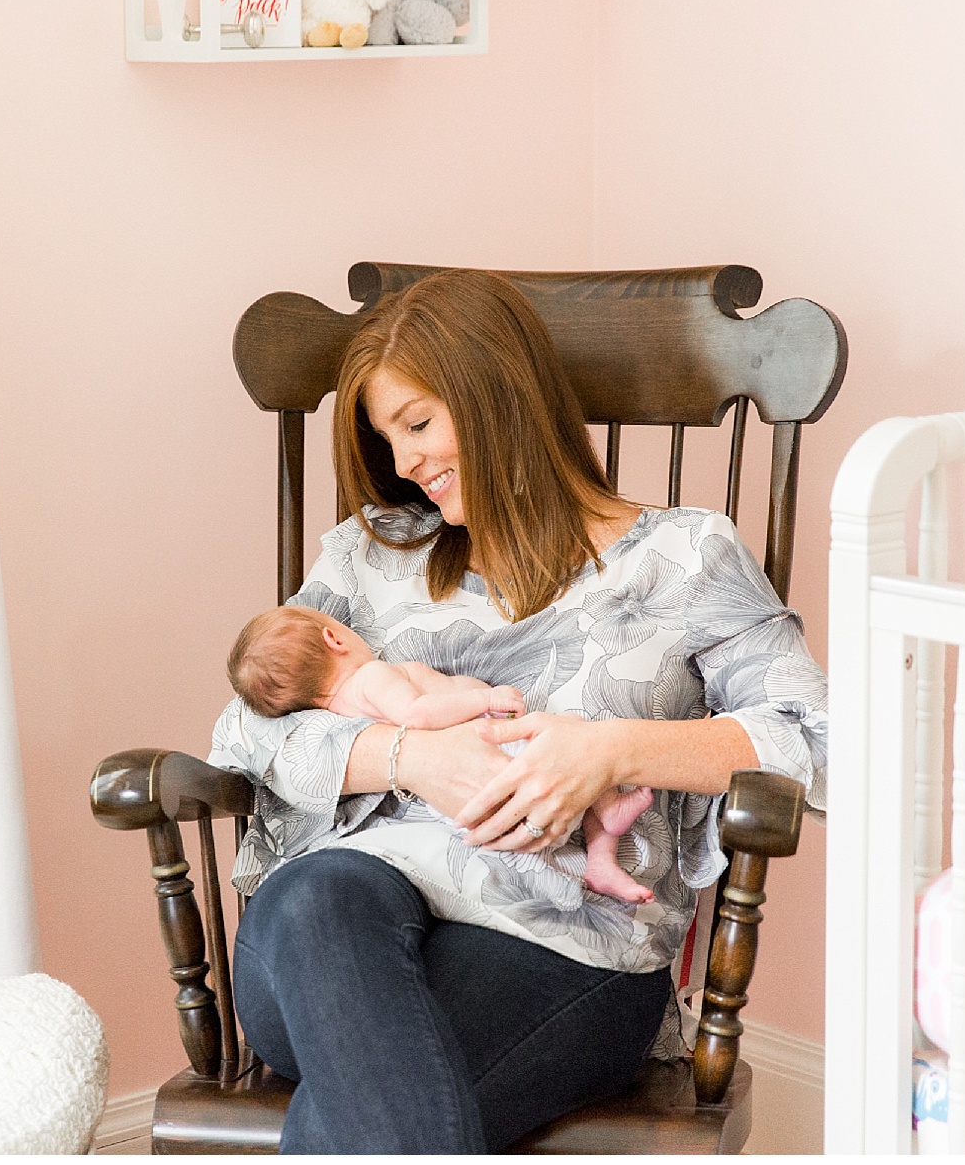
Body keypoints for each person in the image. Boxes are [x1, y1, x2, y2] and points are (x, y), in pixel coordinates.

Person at [207, 269, 828, 1153]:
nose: (406, 461)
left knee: (376, 1099)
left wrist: (611, 751)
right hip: (333, 931)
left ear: (498, 392)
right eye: (390, 440)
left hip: (565, 945)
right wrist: (409, 759)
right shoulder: (366, 555)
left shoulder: (687, 557)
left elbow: (818, 741)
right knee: (316, 902)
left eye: (418, 422)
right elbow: (243, 726)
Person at [226, 604, 659, 903]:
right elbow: (417, 714)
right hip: (489, 754)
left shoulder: (336, 711)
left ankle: (600, 863)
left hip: (457, 804)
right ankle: (609, 815)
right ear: (333, 638)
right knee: (577, 737)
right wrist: (485, 701)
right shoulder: (371, 676)